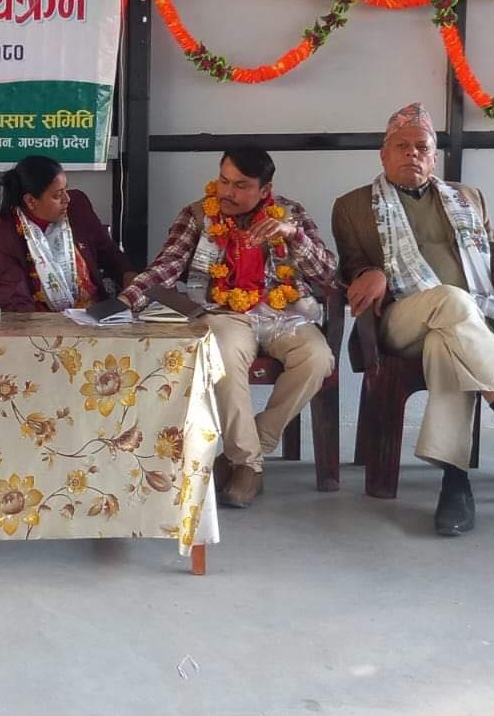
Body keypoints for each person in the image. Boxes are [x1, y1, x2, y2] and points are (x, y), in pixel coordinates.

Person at [331, 102, 494, 537]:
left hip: (467, 324)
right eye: (401, 146)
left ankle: (456, 483)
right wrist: (367, 271)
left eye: (422, 147)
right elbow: (351, 267)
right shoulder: (352, 206)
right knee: (451, 299)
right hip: (400, 319)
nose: (412, 154)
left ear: (434, 157)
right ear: (383, 155)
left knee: (447, 342)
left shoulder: (468, 198)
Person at [116, 146, 338, 507]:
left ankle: (246, 452)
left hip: (285, 313)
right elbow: (167, 266)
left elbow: (327, 272)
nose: (228, 192)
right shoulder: (197, 214)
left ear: (265, 190)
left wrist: (292, 235)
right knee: (222, 353)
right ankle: (248, 465)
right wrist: (125, 302)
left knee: (318, 358)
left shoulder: (291, 213)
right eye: (223, 181)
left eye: (241, 185)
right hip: (224, 313)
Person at [0, 156, 133, 311]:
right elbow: (16, 302)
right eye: (58, 195)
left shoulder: (77, 206)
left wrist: (129, 276)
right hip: (39, 321)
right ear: (31, 201)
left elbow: (108, 252)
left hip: (95, 314)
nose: (67, 199)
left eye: (66, 190)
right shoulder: (1, 235)